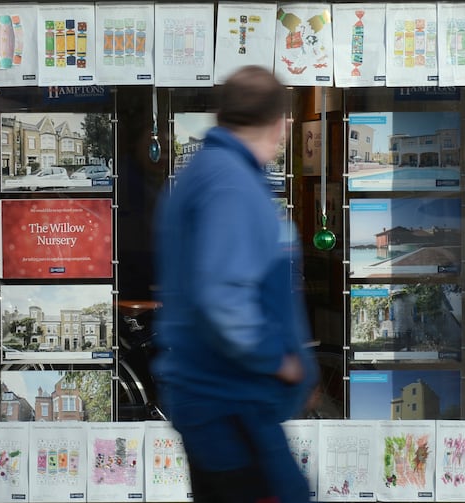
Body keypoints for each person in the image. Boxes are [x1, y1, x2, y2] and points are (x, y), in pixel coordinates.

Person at [151, 65, 317, 503]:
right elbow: (223, 298)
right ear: (281, 124)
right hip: (233, 405)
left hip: (219, 402)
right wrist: (281, 361)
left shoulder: (206, 172)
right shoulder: (230, 184)